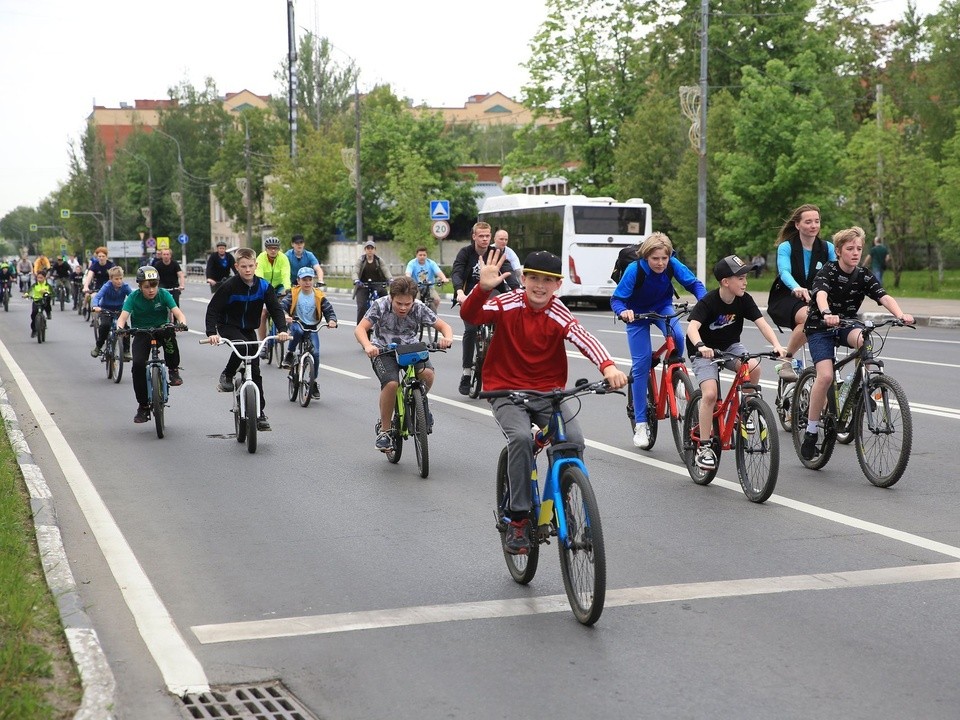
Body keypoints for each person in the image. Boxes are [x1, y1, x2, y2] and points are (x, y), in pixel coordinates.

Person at [461, 249, 628, 554]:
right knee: (522, 438)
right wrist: (481, 288)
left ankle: (564, 496)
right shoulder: (506, 303)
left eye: (547, 281)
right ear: (523, 279)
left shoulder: (558, 312)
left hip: (548, 393)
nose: (540, 285)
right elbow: (471, 316)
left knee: (573, 439)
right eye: (534, 278)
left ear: (558, 285)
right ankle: (519, 519)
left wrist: (608, 366)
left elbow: (583, 337)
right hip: (505, 391)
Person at [798, 226, 913, 461]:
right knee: (826, 376)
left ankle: (869, 384)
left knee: (864, 338)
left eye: (859, 248)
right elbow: (820, 294)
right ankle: (811, 431)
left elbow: (883, 296)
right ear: (839, 251)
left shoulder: (863, 274)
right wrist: (827, 312)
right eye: (850, 248)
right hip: (820, 327)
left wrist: (901, 314)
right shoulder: (828, 271)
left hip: (846, 324)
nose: (855, 252)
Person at [685, 256, 787, 470]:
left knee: (753, 367)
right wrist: (702, 346)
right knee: (710, 394)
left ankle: (746, 410)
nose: (745, 282)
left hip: (730, 346)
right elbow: (692, 328)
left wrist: (778, 344)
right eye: (740, 278)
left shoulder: (744, 300)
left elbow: (763, 324)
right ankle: (704, 447)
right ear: (725, 282)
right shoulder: (709, 301)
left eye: (746, 277)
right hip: (704, 351)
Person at [610, 231, 706, 449]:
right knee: (642, 363)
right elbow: (616, 299)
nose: (661, 263)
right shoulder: (635, 270)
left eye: (664, 258)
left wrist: (703, 302)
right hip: (636, 314)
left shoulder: (672, 263)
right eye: (655, 259)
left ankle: (676, 376)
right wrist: (624, 312)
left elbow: (695, 284)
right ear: (646, 257)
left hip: (662, 307)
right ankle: (641, 424)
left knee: (679, 336)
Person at [354, 276, 454, 450]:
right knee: (392, 384)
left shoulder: (419, 307)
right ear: (392, 298)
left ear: (413, 300)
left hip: (410, 349)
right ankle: (385, 431)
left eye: (407, 304)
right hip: (384, 350)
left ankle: (420, 403)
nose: (403, 308)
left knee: (428, 374)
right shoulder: (380, 305)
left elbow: (444, 326)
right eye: (399, 303)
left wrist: (448, 338)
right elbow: (360, 328)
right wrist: (368, 345)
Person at [205, 247, 290, 431]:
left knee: (256, 370)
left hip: (248, 328)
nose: (248, 270)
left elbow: (275, 309)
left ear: (256, 265)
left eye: (251, 266)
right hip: (228, 326)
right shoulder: (229, 286)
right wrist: (212, 332)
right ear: (236, 267)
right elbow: (213, 309)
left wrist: (282, 329)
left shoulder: (264, 286)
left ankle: (259, 414)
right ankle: (227, 374)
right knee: (244, 348)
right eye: (243, 266)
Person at [766, 204, 837, 382]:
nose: (813, 225)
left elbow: (836, 273)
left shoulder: (827, 248)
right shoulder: (786, 247)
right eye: (808, 222)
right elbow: (784, 272)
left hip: (817, 298)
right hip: (787, 297)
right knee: (808, 317)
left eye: (817, 221)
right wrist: (796, 287)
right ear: (797, 225)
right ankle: (786, 360)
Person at [452, 221, 520, 395]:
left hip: (493, 294)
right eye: (480, 236)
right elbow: (457, 272)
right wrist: (459, 292)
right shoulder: (465, 253)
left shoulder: (495, 253)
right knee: (471, 330)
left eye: (487, 236)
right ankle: (467, 372)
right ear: (474, 236)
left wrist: (518, 291)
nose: (484, 239)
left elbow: (508, 272)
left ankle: (501, 372)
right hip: (469, 295)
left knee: (503, 327)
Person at [115, 266, 187, 424]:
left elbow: (178, 313)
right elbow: (122, 318)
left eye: (154, 285)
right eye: (147, 287)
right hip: (141, 333)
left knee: (170, 333)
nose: (151, 290)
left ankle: (173, 370)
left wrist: (182, 323)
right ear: (140, 286)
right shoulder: (133, 298)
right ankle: (143, 406)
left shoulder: (164, 294)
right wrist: (120, 329)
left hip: (161, 329)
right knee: (138, 365)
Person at [281, 266, 338, 399]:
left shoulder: (318, 295)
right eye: (304, 280)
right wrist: (285, 315)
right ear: (298, 281)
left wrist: (332, 320)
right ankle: (290, 353)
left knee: (316, 353)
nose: (307, 282)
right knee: (298, 331)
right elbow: (282, 306)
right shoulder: (294, 293)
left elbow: (329, 310)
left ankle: (313, 382)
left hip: (312, 327)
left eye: (310, 279)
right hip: (297, 323)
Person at [255, 236, 291, 358]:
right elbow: (258, 275)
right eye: (270, 248)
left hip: (280, 286)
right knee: (263, 313)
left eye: (275, 248)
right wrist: (263, 290)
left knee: (282, 309)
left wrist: (287, 288)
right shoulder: (260, 258)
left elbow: (286, 274)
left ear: (279, 249)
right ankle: (263, 344)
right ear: (266, 249)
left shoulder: (283, 258)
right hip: (265, 287)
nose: (273, 251)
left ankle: (282, 329)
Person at [91, 266, 133, 359]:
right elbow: (97, 297)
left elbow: (133, 297)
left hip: (119, 310)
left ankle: (126, 351)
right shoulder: (107, 286)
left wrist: (135, 306)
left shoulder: (125, 287)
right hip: (106, 309)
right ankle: (98, 346)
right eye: (116, 279)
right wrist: (95, 306)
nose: (119, 281)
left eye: (121, 278)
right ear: (111, 279)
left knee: (125, 328)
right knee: (105, 326)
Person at [352, 240, 392, 324]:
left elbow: (385, 270)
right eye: (368, 248)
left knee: (386, 302)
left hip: (377, 284)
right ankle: (360, 327)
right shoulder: (361, 260)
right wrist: (356, 280)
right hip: (362, 285)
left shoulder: (378, 260)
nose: (370, 250)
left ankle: (386, 322)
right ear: (365, 250)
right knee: (362, 306)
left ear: (375, 250)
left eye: (372, 248)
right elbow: (355, 271)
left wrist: (390, 279)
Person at [405, 246, 448, 311]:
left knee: (436, 300)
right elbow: (408, 274)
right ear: (416, 255)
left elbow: (438, 272)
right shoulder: (412, 263)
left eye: (424, 255)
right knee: (415, 300)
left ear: (426, 255)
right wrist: (408, 280)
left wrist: (444, 278)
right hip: (416, 286)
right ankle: (413, 314)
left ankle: (432, 315)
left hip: (429, 286)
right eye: (420, 255)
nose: (422, 257)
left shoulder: (431, 263)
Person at [25, 269, 52, 338]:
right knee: (33, 314)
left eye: (41, 278)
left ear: (44, 278)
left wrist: (48, 294)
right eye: (38, 278)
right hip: (36, 301)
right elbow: (29, 291)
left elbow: (52, 292)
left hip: (44, 301)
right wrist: (26, 294)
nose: (39, 279)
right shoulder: (35, 285)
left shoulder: (47, 285)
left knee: (48, 301)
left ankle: (48, 313)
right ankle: (34, 330)